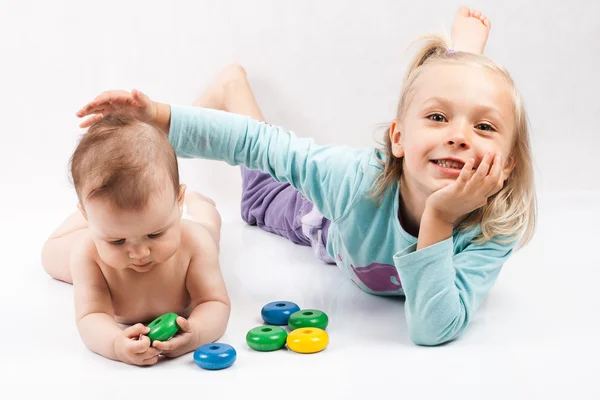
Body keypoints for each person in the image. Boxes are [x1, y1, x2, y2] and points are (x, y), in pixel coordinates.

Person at [75, 6, 536, 346]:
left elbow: (433, 329)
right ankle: (232, 86)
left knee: (453, 100)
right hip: (320, 217)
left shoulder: (496, 227)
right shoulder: (352, 181)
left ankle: (461, 62)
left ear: (509, 163)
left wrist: (440, 217)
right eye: (437, 118)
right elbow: (259, 145)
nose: (459, 137)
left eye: (484, 126)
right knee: (258, 200)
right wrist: (157, 115)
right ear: (396, 138)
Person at [41, 110, 231, 366]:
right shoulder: (88, 256)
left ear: (178, 200)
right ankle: (105, 221)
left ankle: (198, 202)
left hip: (189, 228)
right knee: (50, 255)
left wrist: (196, 332)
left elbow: (214, 302)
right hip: (96, 231)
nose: (139, 253)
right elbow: (91, 315)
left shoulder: (194, 245)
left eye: (155, 234)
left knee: (209, 229)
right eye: (117, 241)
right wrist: (116, 344)